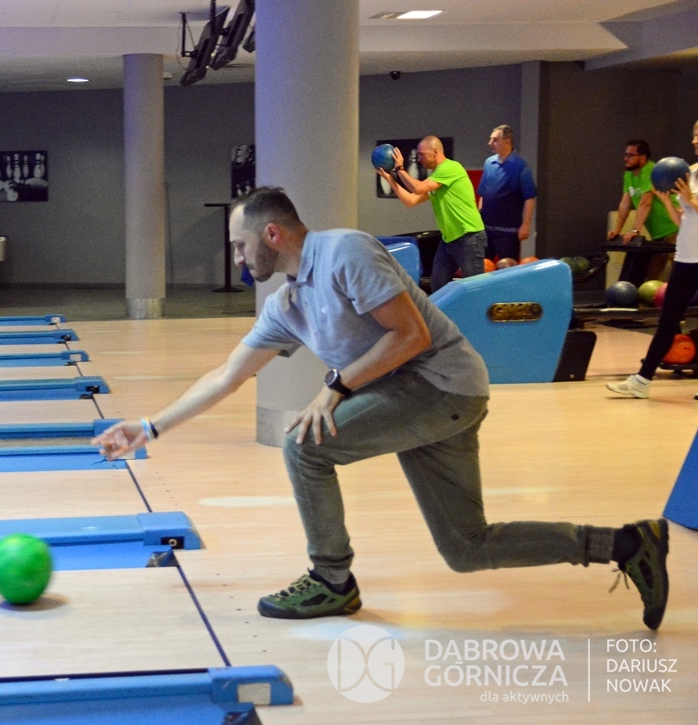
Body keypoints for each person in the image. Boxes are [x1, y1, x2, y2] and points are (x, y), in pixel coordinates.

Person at [93, 187, 669, 631]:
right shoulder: (288, 304)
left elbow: (412, 335)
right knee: (466, 548)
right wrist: (149, 427)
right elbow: (228, 376)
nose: (237, 257)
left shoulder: (344, 252)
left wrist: (336, 386)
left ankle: (331, 579)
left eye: (240, 245)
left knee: (304, 445)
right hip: (423, 399)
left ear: (271, 233)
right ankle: (625, 544)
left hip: (443, 385)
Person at [608, 122, 698, 399]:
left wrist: (690, 200)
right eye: (694, 135)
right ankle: (642, 380)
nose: (694, 140)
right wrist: (669, 202)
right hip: (686, 257)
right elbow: (685, 220)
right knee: (668, 320)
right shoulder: (691, 173)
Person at [377, 136, 486, 292]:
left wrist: (400, 168)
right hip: (449, 239)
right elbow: (410, 200)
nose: (419, 159)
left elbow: (418, 188)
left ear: (435, 152)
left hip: (469, 236)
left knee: (474, 287)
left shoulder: (450, 168)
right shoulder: (436, 178)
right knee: (438, 283)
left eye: (421, 154)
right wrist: (390, 180)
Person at [607, 139, 679, 285]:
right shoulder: (629, 174)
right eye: (625, 155)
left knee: (684, 275)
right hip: (658, 236)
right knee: (650, 280)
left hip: (674, 231)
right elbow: (625, 203)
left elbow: (645, 203)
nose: (625, 159)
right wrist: (617, 230)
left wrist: (635, 230)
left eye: (630, 155)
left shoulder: (651, 171)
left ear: (643, 157)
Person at [477, 125, 537, 262]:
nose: (490, 143)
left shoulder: (520, 166)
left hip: (509, 231)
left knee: (508, 267)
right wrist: (479, 218)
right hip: (487, 228)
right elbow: (483, 194)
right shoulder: (489, 163)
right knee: (483, 266)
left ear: (507, 142)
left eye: (495, 140)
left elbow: (529, 197)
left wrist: (526, 225)